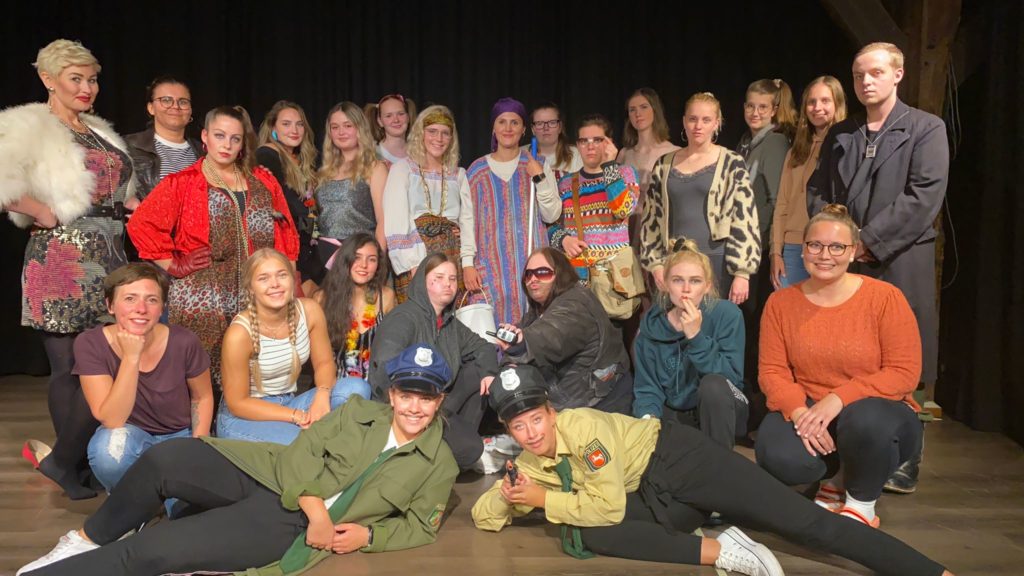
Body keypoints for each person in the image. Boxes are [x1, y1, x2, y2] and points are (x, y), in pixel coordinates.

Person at [472, 363, 956, 576]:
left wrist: (541, 500)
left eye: (536, 419)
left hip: (683, 460)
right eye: (518, 425)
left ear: (552, 411)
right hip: (657, 494)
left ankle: (930, 571)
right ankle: (726, 549)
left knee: (807, 525)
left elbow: (608, 504)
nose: (530, 432)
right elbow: (483, 516)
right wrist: (509, 494)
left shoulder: (584, 429)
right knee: (581, 531)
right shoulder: (531, 458)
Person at [17, 343, 459, 576]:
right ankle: (87, 539)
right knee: (164, 459)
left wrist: (369, 536)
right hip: (269, 472)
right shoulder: (359, 412)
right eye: (407, 395)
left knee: (153, 551)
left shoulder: (440, 463)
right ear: (392, 394)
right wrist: (316, 510)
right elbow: (301, 453)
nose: (414, 408)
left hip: (288, 524)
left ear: (439, 401)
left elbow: (420, 526)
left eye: (426, 398)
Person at [807, 42, 949, 493]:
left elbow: (923, 195)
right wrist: (834, 239)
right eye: (858, 74)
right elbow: (817, 191)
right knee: (851, 353)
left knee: (905, 354)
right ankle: (854, 449)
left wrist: (866, 241)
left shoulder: (925, 128)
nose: (866, 81)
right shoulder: (843, 133)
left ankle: (907, 454)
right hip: (847, 263)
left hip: (899, 258)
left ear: (898, 74)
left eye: (875, 72)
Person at [1, 39, 138, 500]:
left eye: (92, 79)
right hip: (62, 257)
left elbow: (119, 188)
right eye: (75, 78)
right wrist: (40, 210)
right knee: (69, 367)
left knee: (105, 360)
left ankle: (66, 460)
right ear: (48, 79)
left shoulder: (98, 129)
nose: (87, 88)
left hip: (111, 256)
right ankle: (71, 465)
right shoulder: (28, 124)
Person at [756, 204, 924, 528]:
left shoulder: (885, 298)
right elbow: (772, 372)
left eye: (836, 246)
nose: (824, 255)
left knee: (864, 421)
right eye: (815, 245)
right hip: (813, 409)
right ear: (803, 249)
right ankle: (833, 478)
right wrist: (798, 412)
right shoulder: (781, 303)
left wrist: (839, 397)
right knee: (777, 454)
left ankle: (860, 503)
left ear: (852, 251)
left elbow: (904, 373)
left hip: (876, 414)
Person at [127, 105, 299, 390]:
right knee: (204, 378)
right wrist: (174, 264)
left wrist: (287, 281)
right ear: (205, 137)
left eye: (235, 138)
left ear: (243, 143)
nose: (227, 144)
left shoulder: (263, 180)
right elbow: (141, 224)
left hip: (257, 290)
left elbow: (285, 234)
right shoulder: (184, 182)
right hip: (205, 295)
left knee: (256, 375)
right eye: (220, 136)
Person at [76, 263, 213, 491]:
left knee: (183, 505)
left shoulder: (184, 341)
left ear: (162, 308)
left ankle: (158, 497)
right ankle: (131, 501)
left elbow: (202, 396)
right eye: (130, 298)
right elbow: (112, 420)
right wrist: (131, 358)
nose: (141, 308)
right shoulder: (90, 343)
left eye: (151, 300)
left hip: (179, 435)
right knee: (108, 453)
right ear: (110, 305)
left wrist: (197, 446)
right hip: (129, 435)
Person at [217, 248, 366, 445]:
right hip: (246, 416)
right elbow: (238, 403)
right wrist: (296, 416)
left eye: (282, 275)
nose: (275, 284)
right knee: (305, 445)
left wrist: (322, 394)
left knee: (356, 388)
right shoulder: (239, 334)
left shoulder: (310, 310)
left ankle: (329, 437)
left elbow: (324, 363)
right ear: (251, 288)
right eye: (263, 278)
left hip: (290, 401)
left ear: (292, 280)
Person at [369, 253, 498, 470]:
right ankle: (419, 460)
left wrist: (489, 373)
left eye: (452, 278)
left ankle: (448, 444)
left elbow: (483, 346)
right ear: (422, 282)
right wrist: (413, 406)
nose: (447, 284)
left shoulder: (449, 323)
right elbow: (383, 369)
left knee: (478, 371)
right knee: (470, 449)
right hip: (406, 407)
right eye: (439, 278)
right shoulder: (404, 318)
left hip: (436, 403)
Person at [639, 92, 760, 304]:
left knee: (713, 321)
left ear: (717, 123)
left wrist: (742, 273)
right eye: (693, 119)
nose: (698, 126)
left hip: (716, 262)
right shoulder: (664, 164)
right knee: (674, 321)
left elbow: (745, 218)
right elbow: (651, 219)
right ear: (684, 121)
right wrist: (655, 264)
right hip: (675, 263)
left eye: (706, 120)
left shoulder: (732, 162)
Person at [632, 240, 747, 449]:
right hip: (676, 410)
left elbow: (731, 378)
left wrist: (696, 337)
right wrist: (648, 421)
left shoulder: (727, 314)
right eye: (677, 280)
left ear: (707, 286)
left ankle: (719, 461)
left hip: (722, 407)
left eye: (695, 281)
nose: (686, 289)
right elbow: (647, 388)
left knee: (713, 386)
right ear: (665, 284)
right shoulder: (650, 329)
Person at [495, 247, 631, 414]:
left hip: (598, 403)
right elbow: (526, 332)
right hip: (577, 397)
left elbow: (551, 334)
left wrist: (522, 344)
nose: (533, 279)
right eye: (528, 274)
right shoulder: (541, 308)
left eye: (543, 272)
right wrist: (509, 361)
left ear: (561, 274)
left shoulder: (574, 304)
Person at [467, 97, 561, 326]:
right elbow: (467, 221)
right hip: (490, 269)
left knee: (533, 329)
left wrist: (539, 177)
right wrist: (467, 263)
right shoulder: (477, 171)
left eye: (515, 122)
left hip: (530, 266)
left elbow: (551, 214)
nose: (508, 128)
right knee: (492, 333)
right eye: (502, 122)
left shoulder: (537, 164)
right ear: (493, 128)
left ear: (524, 129)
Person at [382, 105, 475, 303]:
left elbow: (467, 221)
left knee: (452, 316)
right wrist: (413, 263)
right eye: (432, 131)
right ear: (420, 134)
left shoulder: (458, 175)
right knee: (420, 316)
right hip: (417, 256)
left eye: (445, 133)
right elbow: (397, 219)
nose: (438, 138)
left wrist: (467, 262)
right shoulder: (403, 170)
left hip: (452, 257)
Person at [770, 76, 847, 289]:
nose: (817, 107)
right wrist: (776, 252)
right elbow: (782, 204)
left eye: (825, 101)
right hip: (793, 247)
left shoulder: (846, 147)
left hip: (829, 247)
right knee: (789, 307)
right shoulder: (796, 151)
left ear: (837, 104)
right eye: (811, 102)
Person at [548, 114, 639, 284]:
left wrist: (609, 166)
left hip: (615, 281)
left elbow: (622, 210)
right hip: (578, 279)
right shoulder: (566, 183)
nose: (590, 146)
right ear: (578, 145)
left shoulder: (625, 174)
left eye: (597, 140)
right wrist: (563, 239)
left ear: (609, 143)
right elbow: (549, 224)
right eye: (584, 141)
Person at [316, 232, 395, 391]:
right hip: (336, 390)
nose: (364, 265)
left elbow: (392, 350)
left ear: (378, 265)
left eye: (371, 259)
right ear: (345, 260)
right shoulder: (322, 298)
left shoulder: (386, 297)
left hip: (376, 390)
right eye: (357, 257)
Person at [313, 101, 389, 267]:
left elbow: (383, 220)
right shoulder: (323, 173)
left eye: (348, 125)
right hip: (324, 257)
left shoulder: (375, 168)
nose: (341, 132)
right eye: (335, 127)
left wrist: (377, 262)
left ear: (360, 128)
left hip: (360, 256)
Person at [257, 100, 321, 290]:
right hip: (286, 251)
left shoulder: (302, 160)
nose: (294, 130)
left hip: (308, 248)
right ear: (273, 128)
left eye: (299, 124)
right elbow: (271, 210)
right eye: (286, 124)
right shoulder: (267, 155)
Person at [124, 76, 202, 201]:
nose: (175, 106)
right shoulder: (128, 147)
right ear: (151, 108)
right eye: (166, 100)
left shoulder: (205, 152)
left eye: (183, 102)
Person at [736, 79, 796, 241]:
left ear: (773, 111)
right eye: (750, 106)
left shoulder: (775, 142)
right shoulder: (744, 144)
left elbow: (776, 201)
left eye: (762, 107)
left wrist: (750, 233)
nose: (755, 113)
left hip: (757, 241)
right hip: (740, 237)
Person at [617, 87, 681, 206]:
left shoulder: (674, 152)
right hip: (628, 217)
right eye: (632, 110)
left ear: (655, 110)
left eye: (644, 107)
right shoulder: (624, 154)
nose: (638, 114)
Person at [528, 102, 583, 182]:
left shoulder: (577, 155)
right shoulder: (521, 154)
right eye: (539, 123)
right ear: (533, 129)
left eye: (552, 122)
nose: (546, 128)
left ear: (560, 127)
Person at [370, 93, 416, 167]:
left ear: (408, 117)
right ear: (380, 121)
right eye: (388, 116)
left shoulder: (419, 152)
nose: (396, 120)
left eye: (401, 114)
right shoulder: (373, 155)